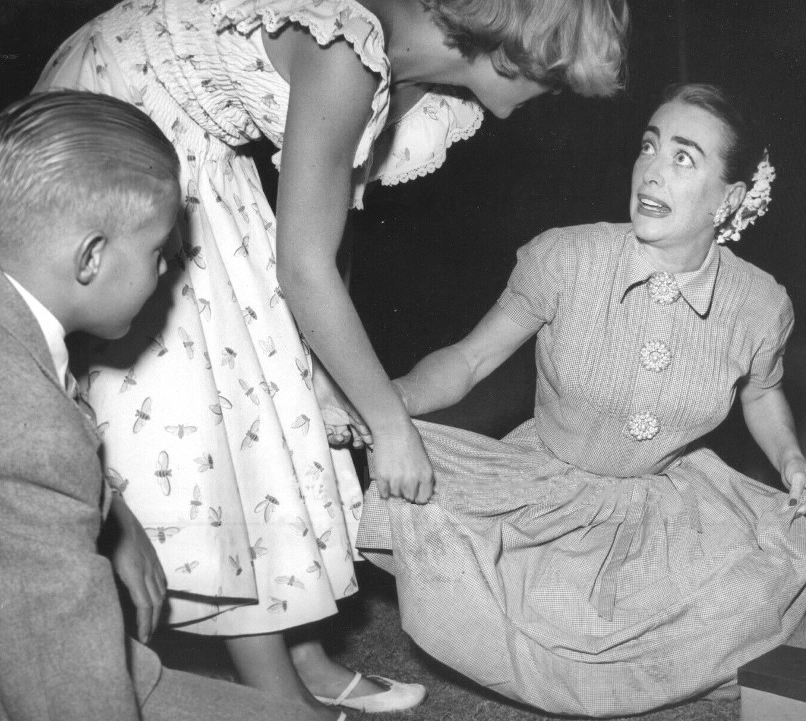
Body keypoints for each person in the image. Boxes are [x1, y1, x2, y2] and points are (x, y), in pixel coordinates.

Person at [32, 0, 630, 713]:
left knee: (275, 365)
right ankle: (274, 692)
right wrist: (392, 426)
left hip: (197, 137)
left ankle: (305, 652)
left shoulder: (408, 76)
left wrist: (320, 375)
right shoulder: (350, 50)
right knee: (223, 395)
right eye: (555, 82)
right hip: (115, 118)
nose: (550, 102)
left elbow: (325, 241)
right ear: (514, 55)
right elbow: (304, 270)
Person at [356, 83, 806, 717]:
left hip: (667, 501)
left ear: (729, 200)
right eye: (650, 145)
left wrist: (792, 462)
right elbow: (468, 360)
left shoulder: (759, 303)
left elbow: (763, 392)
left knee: (786, 560)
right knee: (428, 515)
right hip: (545, 488)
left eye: (683, 157)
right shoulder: (566, 256)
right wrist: (381, 402)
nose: (651, 170)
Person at [0, 90, 342, 721]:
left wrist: (113, 516)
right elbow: (67, 695)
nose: (165, 274)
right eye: (159, 253)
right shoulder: (27, 427)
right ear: (91, 257)